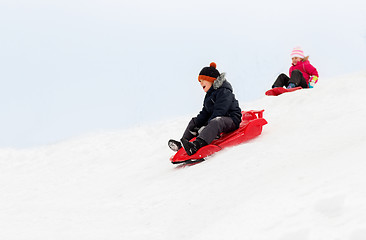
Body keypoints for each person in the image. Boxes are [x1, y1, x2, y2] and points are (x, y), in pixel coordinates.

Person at [168, 62, 242, 156]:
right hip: (217, 120)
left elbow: (220, 111)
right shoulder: (209, 95)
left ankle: (196, 145)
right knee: (195, 121)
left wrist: (206, 126)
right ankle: (183, 144)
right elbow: (205, 112)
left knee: (216, 121)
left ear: (211, 80)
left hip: (231, 119)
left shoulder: (224, 91)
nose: (201, 83)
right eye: (200, 81)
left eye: (203, 80)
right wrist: (198, 123)